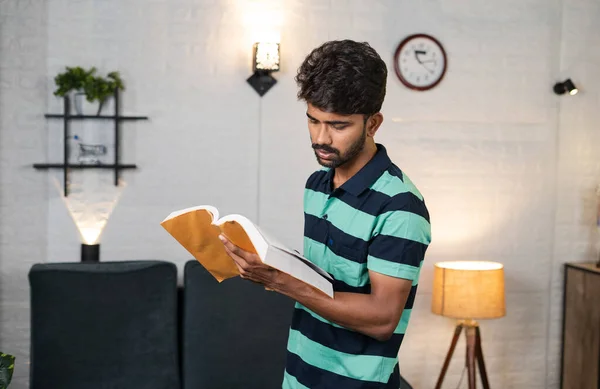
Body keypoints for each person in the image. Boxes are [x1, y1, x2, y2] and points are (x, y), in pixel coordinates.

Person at [219, 39, 431, 389]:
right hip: (299, 377)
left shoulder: (400, 206)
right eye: (313, 121)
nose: (321, 138)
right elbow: (324, 283)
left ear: (373, 124)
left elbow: (381, 320)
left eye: (338, 125)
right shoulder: (316, 185)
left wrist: (281, 281)